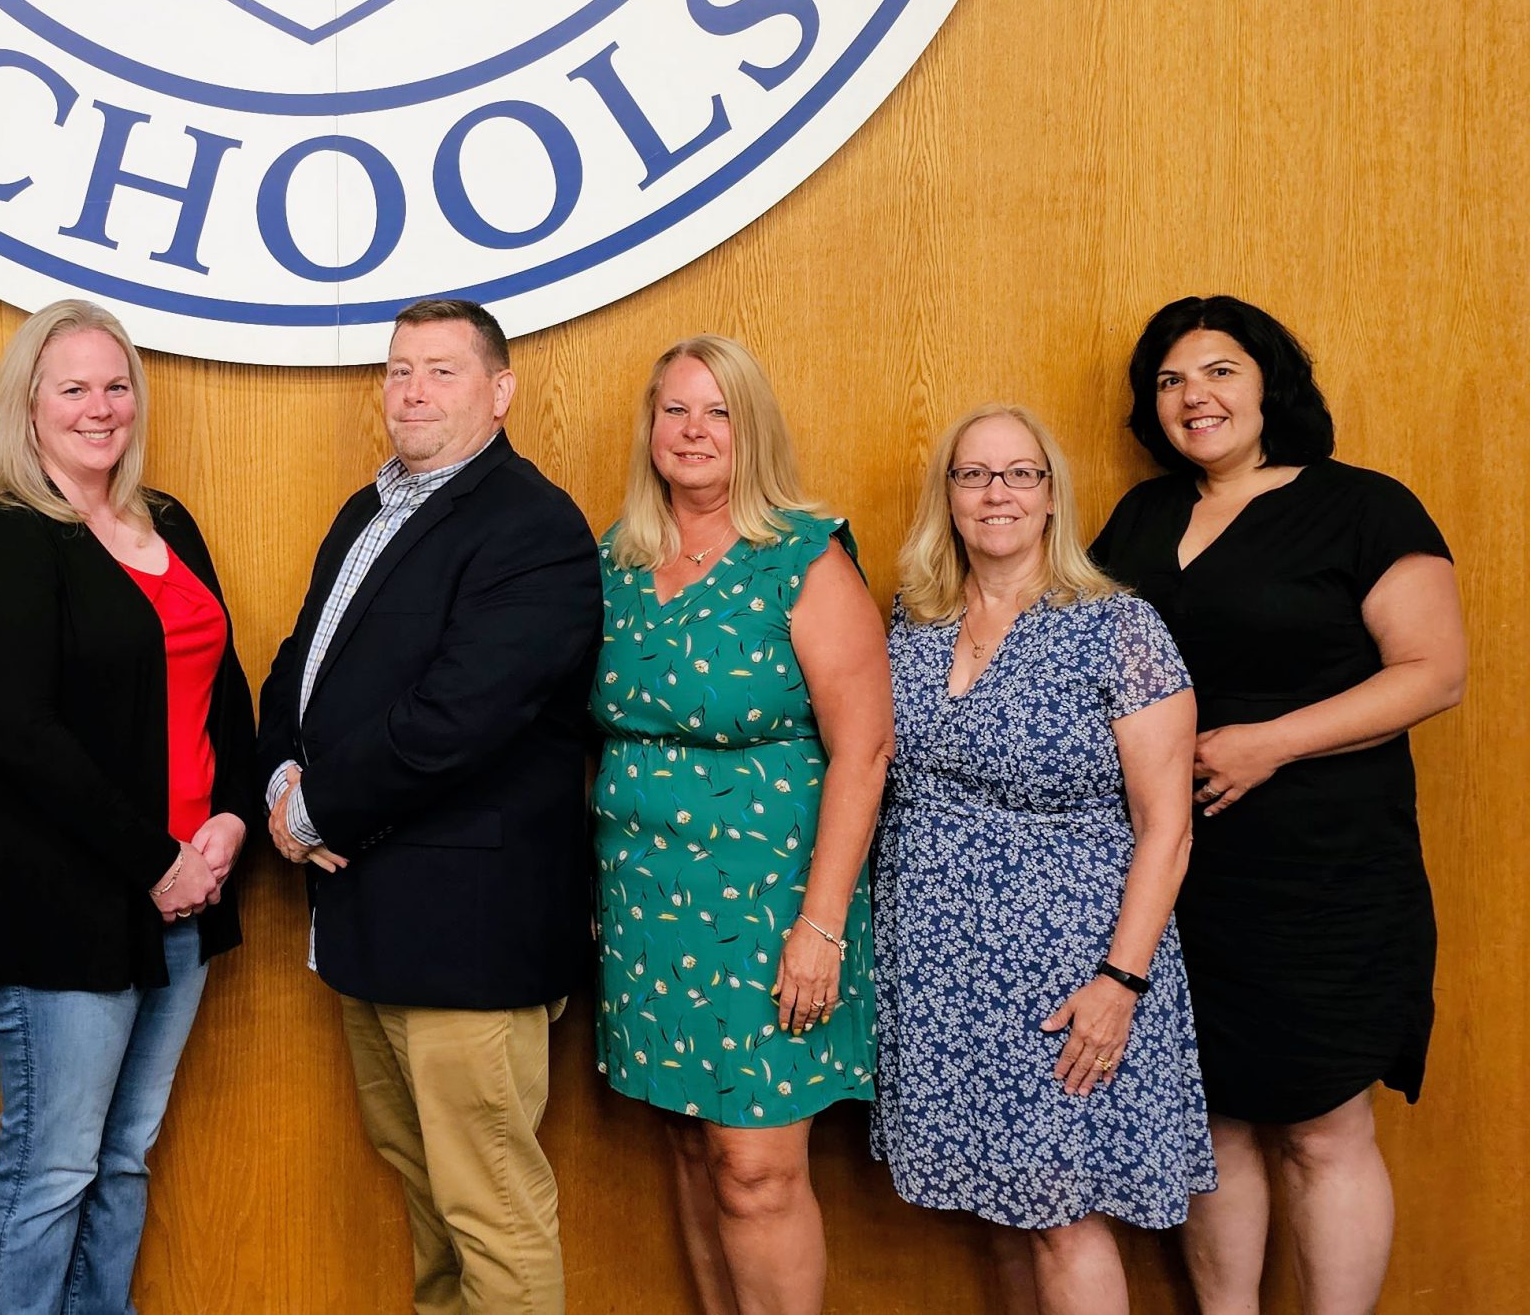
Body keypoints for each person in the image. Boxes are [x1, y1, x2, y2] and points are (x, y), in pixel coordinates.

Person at [1092, 297, 1464, 1315]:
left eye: (1217, 370)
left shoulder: (1362, 506)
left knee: (1321, 1125)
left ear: (1268, 385)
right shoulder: (1144, 517)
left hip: (1326, 872)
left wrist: (1270, 741)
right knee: (1212, 1115)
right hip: (1181, 874)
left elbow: (1433, 672)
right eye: (1169, 381)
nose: (1192, 396)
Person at [257, 297, 600, 1315]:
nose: (411, 389)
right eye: (399, 368)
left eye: (441, 370)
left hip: (470, 934)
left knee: (489, 1209)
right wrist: (280, 776)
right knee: (431, 1201)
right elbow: (297, 667)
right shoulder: (369, 509)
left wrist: (313, 810)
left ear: (500, 392)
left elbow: (456, 718)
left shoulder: (532, 526)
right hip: (376, 920)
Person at [0, 300, 260, 1315]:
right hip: (63, 907)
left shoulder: (166, 523)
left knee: (122, 1159)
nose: (99, 407)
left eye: (115, 385)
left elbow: (228, 694)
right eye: (72, 387)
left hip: (184, 896)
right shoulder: (2, 538)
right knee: (53, 1169)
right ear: (27, 407)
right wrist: (154, 856)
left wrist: (231, 823)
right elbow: (20, 734)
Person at [872, 404, 1211, 1315]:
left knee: (1062, 1212)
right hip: (943, 966)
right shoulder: (915, 618)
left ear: (1054, 495)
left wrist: (1120, 982)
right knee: (1005, 1209)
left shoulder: (1116, 627)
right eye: (974, 475)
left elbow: (1167, 828)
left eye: (1021, 474)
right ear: (946, 497)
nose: (997, 494)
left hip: (1068, 967)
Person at [587, 334, 891, 1315]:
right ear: (649, 428)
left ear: (750, 429)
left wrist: (823, 923)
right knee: (689, 1139)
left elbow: (865, 749)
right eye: (674, 409)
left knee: (755, 1165)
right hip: (642, 898)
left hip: (772, 908)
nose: (693, 430)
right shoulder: (615, 558)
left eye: (716, 411)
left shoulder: (801, 554)